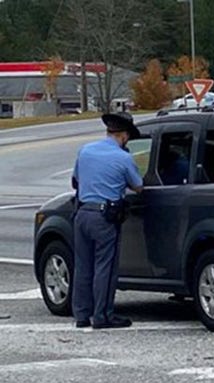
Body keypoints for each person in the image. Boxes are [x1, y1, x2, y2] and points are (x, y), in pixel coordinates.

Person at [71, 112, 143, 329]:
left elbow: (75, 181)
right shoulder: (123, 158)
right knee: (105, 267)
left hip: (82, 214)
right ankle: (102, 315)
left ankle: (82, 315)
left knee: (83, 265)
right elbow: (138, 186)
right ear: (124, 136)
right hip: (104, 217)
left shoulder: (85, 150)